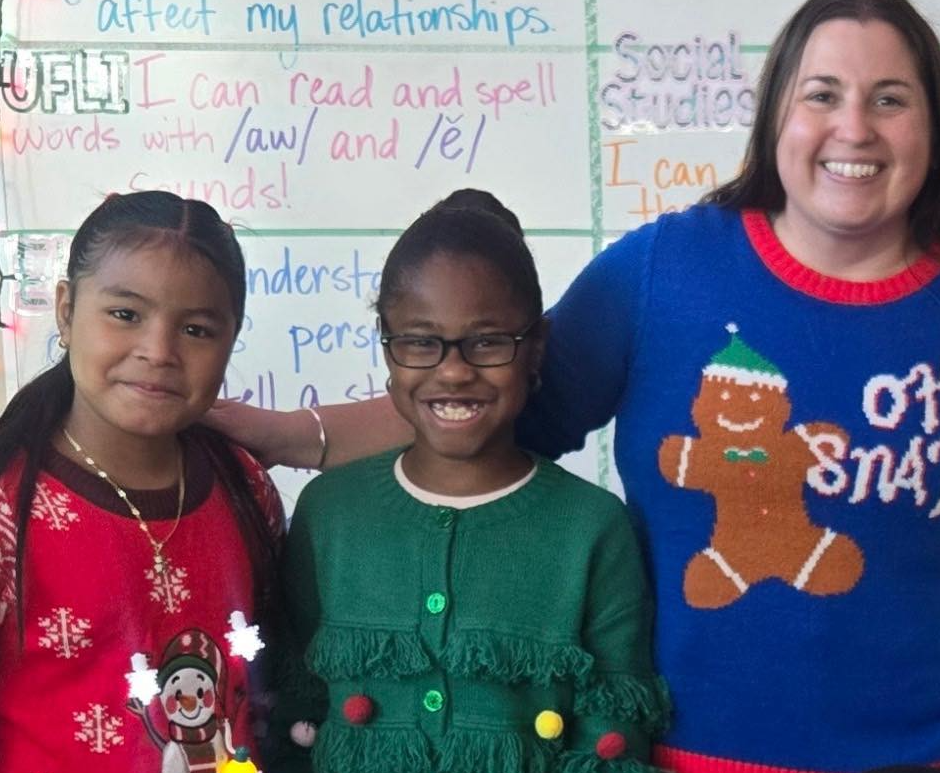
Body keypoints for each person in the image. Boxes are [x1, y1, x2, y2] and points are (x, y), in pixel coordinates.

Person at [209, 0, 940, 768]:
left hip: (938, 752)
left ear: (931, 126)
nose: (850, 127)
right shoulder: (666, 270)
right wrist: (266, 431)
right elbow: (469, 409)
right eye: (822, 93)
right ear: (777, 115)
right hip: (693, 748)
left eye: (888, 97)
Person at [266, 192, 664, 773]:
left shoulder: (593, 528)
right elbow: (293, 709)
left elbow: (613, 733)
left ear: (536, 349)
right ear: (388, 347)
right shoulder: (328, 512)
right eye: (421, 341)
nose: (453, 370)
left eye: (487, 341)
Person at [0, 192, 284, 772]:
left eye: (197, 329)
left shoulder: (243, 487)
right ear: (67, 311)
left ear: (232, 339)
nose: (158, 352)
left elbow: (261, 700)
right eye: (125, 315)